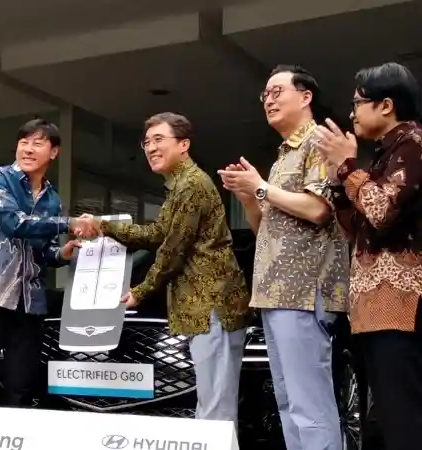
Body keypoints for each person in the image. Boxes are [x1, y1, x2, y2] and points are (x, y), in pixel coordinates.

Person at [75, 113, 251, 425]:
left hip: (213, 305)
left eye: (159, 139)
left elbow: (172, 250)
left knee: (216, 409)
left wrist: (140, 292)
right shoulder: (180, 187)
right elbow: (157, 234)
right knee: (212, 404)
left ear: (184, 144)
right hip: (202, 307)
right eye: (146, 142)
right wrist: (103, 225)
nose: (151, 148)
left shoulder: (192, 185)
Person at [218, 65, 349, 450]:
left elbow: (318, 209)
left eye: (277, 92)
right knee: (289, 403)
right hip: (275, 293)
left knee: (310, 404)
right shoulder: (282, 156)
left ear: (306, 97)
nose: (268, 100)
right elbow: (265, 228)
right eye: (265, 95)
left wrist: (260, 187)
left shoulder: (319, 142)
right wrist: (248, 198)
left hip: (304, 292)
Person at [315, 62, 422, 450]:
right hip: (375, 308)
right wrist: (337, 181)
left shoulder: (413, 145)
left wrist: (348, 166)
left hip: (402, 306)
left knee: (404, 416)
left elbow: (382, 211)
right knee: (386, 417)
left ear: (386, 105)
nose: (352, 113)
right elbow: (355, 229)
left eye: (358, 103)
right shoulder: (383, 154)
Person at [0, 118, 83, 407]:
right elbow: (15, 223)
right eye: (24, 142)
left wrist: (62, 253)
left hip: (30, 302)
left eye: (37, 143)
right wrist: (69, 223)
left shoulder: (52, 199)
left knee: (21, 387)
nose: (28, 149)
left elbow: (43, 251)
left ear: (53, 152)